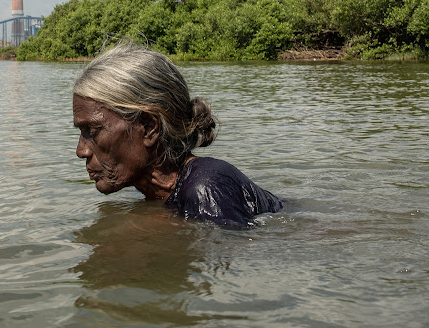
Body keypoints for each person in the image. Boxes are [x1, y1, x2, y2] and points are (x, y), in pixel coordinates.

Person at [72, 42, 283, 227]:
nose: (81, 151)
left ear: (149, 127)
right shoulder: (162, 194)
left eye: (91, 131)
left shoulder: (205, 187)